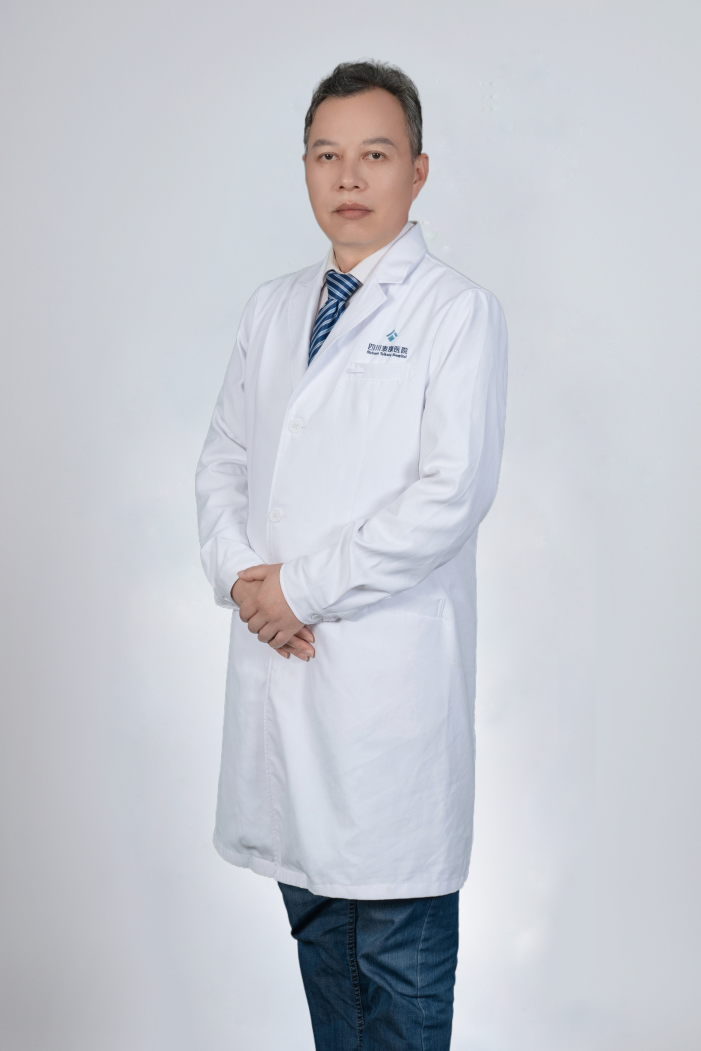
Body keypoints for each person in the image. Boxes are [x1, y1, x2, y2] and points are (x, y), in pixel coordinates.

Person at [196, 60, 507, 1051]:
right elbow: (225, 458)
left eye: (373, 154)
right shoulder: (272, 307)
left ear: (417, 170)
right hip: (287, 677)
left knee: (396, 964)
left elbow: (448, 496)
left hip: (384, 694)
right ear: (303, 168)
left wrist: (296, 589)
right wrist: (241, 577)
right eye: (325, 155)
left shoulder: (455, 311)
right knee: (323, 946)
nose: (348, 176)